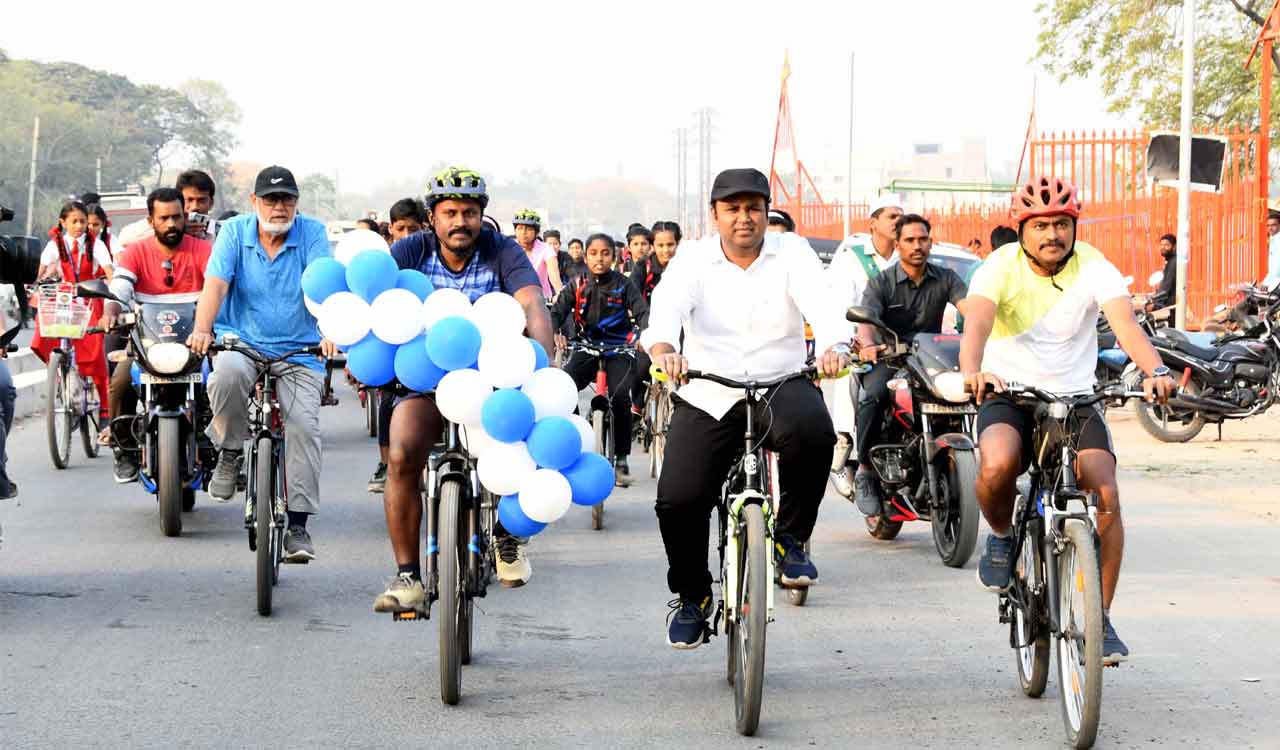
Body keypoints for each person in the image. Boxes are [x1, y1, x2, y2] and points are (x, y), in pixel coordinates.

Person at [960, 175, 1177, 665]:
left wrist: (1156, 369)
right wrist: (972, 372)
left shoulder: (1093, 265)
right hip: (1009, 394)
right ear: (1023, 230)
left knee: (1106, 492)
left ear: (1074, 228)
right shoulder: (999, 266)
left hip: (1074, 400)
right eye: (1040, 225)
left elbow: (1124, 323)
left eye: (1061, 224)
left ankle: (1099, 619)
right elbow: (978, 322)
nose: (1052, 234)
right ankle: (999, 537)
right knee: (997, 464)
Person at [641, 168, 852, 648]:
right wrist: (664, 351)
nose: (744, 218)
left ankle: (790, 540)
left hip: (781, 382)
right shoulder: (693, 258)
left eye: (753, 207)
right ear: (714, 215)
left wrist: (834, 345)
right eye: (732, 209)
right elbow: (666, 311)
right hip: (709, 390)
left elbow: (822, 304)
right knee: (678, 499)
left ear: (764, 212)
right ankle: (693, 596)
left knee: (816, 434)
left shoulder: (790, 253)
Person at [373, 166, 555, 613]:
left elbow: (532, 302)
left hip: (494, 385)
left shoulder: (502, 250)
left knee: (519, 451)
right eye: (450, 212)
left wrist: (545, 361)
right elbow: (377, 303)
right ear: (432, 216)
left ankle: (508, 537)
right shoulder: (410, 250)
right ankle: (408, 576)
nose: (460, 221)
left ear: (482, 216)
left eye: (469, 212)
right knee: (402, 453)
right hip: (424, 381)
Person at [187, 165, 336, 564]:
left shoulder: (313, 234)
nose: (279, 207)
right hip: (243, 341)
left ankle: (299, 525)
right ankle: (231, 449)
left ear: (296, 203)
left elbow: (325, 286)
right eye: (270, 199)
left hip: (301, 349)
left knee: (304, 425)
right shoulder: (234, 232)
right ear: (255, 202)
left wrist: (331, 328)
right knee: (225, 375)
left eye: (287, 199)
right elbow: (215, 285)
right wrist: (203, 330)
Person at [850, 214, 968, 516]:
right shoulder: (882, 282)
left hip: (930, 360)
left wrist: (982, 330)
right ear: (898, 244)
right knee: (873, 395)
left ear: (930, 241)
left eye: (923, 239)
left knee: (965, 394)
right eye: (910, 240)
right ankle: (864, 468)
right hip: (890, 358)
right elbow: (866, 320)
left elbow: (969, 307)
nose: (918, 246)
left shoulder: (947, 278)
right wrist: (867, 345)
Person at [103, 188, 213, 482]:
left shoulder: (203, 250)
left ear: (184, 216)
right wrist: (112, 309)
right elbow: (121, 287)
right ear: (151, 220)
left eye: (177, 217)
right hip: (149, 345)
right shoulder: (135, 252)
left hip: (196, 344)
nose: (171, 224)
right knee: (122, 381)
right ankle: (123, 449)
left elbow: (217, 287)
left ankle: (217, 442)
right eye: (163, 218)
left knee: (221, 379)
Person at [822, 194, 904, 499]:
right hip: (862, 344)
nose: (898, 222)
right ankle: (842, 453)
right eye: (892, 216)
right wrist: (848, 342)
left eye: (901, 216)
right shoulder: (852, 257)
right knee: (857, 384)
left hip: (898, 346)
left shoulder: (905, 256)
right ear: (873, 223)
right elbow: (841, 304)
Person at [550, 233, 649, 486]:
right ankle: (577, 438)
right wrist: (555, 333)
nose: (599, 258)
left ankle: (622, 457)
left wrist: (643, 336)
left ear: (613, 257)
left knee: (620, 397)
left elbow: (642, 313)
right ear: (585, 254)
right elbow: (557, 312)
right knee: (564, 387)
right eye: (594, 253)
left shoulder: (624, 285)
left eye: (605, 253)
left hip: (619, 349)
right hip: (586, 347)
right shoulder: (577, 284)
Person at [31, 200, 113, 423]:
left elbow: (108, 269)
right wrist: (34, 285)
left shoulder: (95, 244)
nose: (79, 226)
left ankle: (105, 406)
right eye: (74, 221)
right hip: (64, 297)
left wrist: (114, 289)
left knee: (95, 351)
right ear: (63, 222)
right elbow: (41, 270)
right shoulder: (55, 244)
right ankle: (60, 375)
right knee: (43, 334)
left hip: (88, 298)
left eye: (83, 221)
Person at [367, 197, 429, 493]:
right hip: (396, 346)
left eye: (413, 229)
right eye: (400, 228)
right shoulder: (384, 265)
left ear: (425, 227)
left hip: (433, 343)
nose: (407, 235)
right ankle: (384, 463)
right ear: (390, 229)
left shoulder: (431, 257)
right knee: (389, 400)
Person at [629, 221, 681, 416]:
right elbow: (634, 298)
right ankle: (636, 407)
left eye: (670, 245)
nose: (666, 250)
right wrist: (644, 331)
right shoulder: (644, 267)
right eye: (660, 245)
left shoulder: (687, 267)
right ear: (653, 246)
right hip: (648, 323)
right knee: (641, 365)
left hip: (681, 325)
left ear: (678, 244)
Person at [512, 209, 563, 299]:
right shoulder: (509, 248)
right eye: (520, 228)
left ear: (537, 232)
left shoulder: (546, 249)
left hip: (541, 300)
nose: (524, 232)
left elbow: (554, 276)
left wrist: (559, 294)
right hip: (514, 300)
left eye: (529, 229)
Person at [1149, 233, 1177, 310]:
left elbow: (1166, 286)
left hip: (1169, 306)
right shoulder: (1171, 261)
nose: (1163, 247)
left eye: (1166, 245)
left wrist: (1155, 303)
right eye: (1161, 245)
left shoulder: (1173, 263)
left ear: (1174, 247)